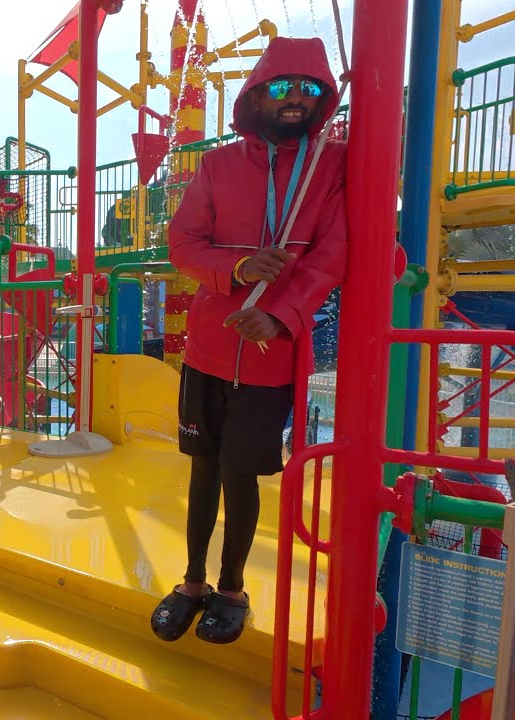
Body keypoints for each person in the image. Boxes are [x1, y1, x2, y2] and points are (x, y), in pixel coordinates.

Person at [150, 36, 348, 645]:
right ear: (256, 94)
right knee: (202, 468)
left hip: (272, 354)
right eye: (282, 86)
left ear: (324, 99)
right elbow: (183, 242)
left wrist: (284, 314)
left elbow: (334, 254)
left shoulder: (334, 165)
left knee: (241, 474)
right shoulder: (216, 166)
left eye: (310, 88)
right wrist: (235, 270)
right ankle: (190, 582)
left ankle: (232, 589)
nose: (295, 99)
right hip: (209, 348)